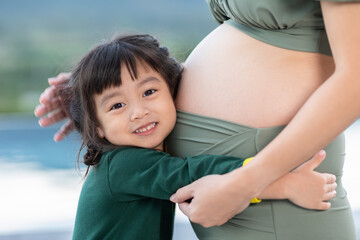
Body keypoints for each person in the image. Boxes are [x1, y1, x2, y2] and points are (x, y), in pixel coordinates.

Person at [35, 1, 359, 239]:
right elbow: (189, 175)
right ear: (96, 126)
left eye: (148, 92)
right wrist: (92, 91)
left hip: (272, 178)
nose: (138, 111)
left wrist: (103, 97)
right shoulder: (124, 165)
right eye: (118, 105)